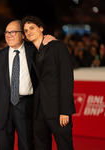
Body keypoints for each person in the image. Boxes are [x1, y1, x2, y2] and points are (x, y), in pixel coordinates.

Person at [0, 20, 54, 150]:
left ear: (23, 35)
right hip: (3, 108)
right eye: (7, 32)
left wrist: (51, 43)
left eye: (13, 32)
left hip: (26, 106)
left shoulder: (35, 52)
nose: (9, 35)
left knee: (26, 145)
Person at [21, 15, 76, 150]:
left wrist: (65, 111)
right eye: (26, 30)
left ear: (41, 28)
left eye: (32, 28)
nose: (29, 32)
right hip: (39, 109)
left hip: (57, 109)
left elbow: (67, 79)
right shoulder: (31, 52)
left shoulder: (57, 46)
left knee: (64, 145)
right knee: (41, 145)